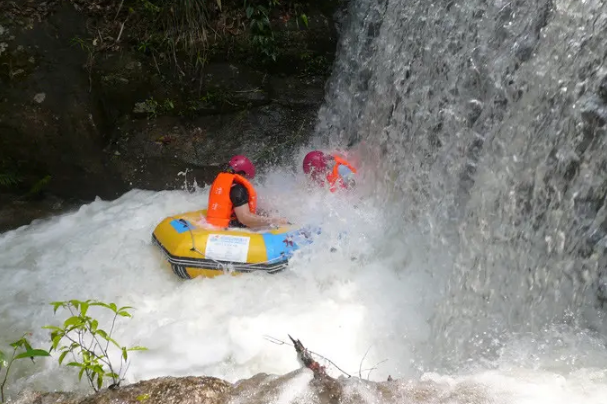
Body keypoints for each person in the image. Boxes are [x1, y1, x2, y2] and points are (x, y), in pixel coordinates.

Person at [205, 155, 289, 229]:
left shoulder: (221, 182)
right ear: (243, 174)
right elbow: (245, 219)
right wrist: (273, 221)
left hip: (213, 225)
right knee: (271, 220)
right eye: (248, 178)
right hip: (228, 229)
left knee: (263, 213)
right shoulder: (238, 189)